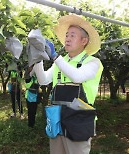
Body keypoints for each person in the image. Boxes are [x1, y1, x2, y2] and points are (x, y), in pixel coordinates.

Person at [30, 14, 103, 154]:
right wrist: (37, 58)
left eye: (72, 36)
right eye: (67, 35)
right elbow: (43, 80)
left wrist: (55, 57)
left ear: (84, 41)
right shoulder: (62, 62)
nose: (67, 39)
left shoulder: (93, 62)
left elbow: (77, 77)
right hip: (57, 119)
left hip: (79, 121)